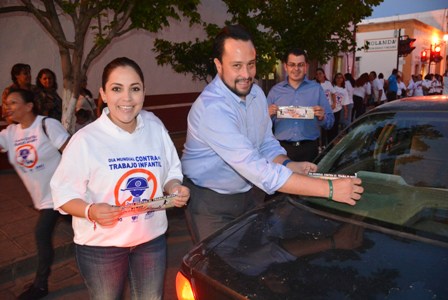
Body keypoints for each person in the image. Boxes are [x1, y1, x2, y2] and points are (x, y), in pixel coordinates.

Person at [181, 25, 363, 244]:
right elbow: (256, 167)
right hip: (210, 202)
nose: (246, 74)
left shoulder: (255, 93)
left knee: (253, 262)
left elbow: (266, 143)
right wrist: (330, 189)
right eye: (237, 66)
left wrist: (289, 164)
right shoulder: (212, 108)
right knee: (218, 271)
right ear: (218, 65)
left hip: (246, 194)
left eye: (251, 64)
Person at [50, 57, 190, 300]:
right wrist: (90, 210)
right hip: (101, 248)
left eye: (134, 89)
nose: (127, 98)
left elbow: (171, 171)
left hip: (151, 240)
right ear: (103, 93)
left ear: (144, 92)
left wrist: (175, 188)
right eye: (117, 89)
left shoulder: (155, 127)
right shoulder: (86, 140)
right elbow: (62, 194)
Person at [0, 88, 70, 299]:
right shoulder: (10, 134)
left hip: (61, 193)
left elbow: (73, 151)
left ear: (29, 106)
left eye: (13, 102)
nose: (7, 107)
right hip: (43, 199)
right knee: (83, 227)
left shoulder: (47, 126)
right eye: (6, 103)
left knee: (42, 233)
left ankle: (40, 285)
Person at [267, 48, 334, 162]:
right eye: (292, 64)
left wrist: (323, 117)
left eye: (300, 65)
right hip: (281, 150)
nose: (296, 69)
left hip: (309, 150)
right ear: (285, 66)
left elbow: (330, 122)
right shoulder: (275, 91)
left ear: (306, 67)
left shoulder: (316, 89)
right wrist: (267, 115)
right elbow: (261, 126)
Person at [315, 68, 337, 146]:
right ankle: (318, 145)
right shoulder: (314, 84)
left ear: (324, 74)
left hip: (327, 109)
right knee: (318, 129)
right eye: (317, 74)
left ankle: (325, 145)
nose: (318, 75)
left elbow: (333, 93)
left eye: (320, 73)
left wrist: (334, 103)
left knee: (326, 128)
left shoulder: (328, 84)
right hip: (318, 110)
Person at [331, 73, 349, 140]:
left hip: (338, 110)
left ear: (343, 79)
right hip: (330, 110)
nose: (339, 79)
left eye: (340, 77)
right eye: (337, 78)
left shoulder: (344, 90)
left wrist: (346, 111)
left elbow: (345, 102)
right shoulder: (332, 87)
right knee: (329, 127)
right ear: (335, 79)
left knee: (335, 127)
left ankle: (333, 141)